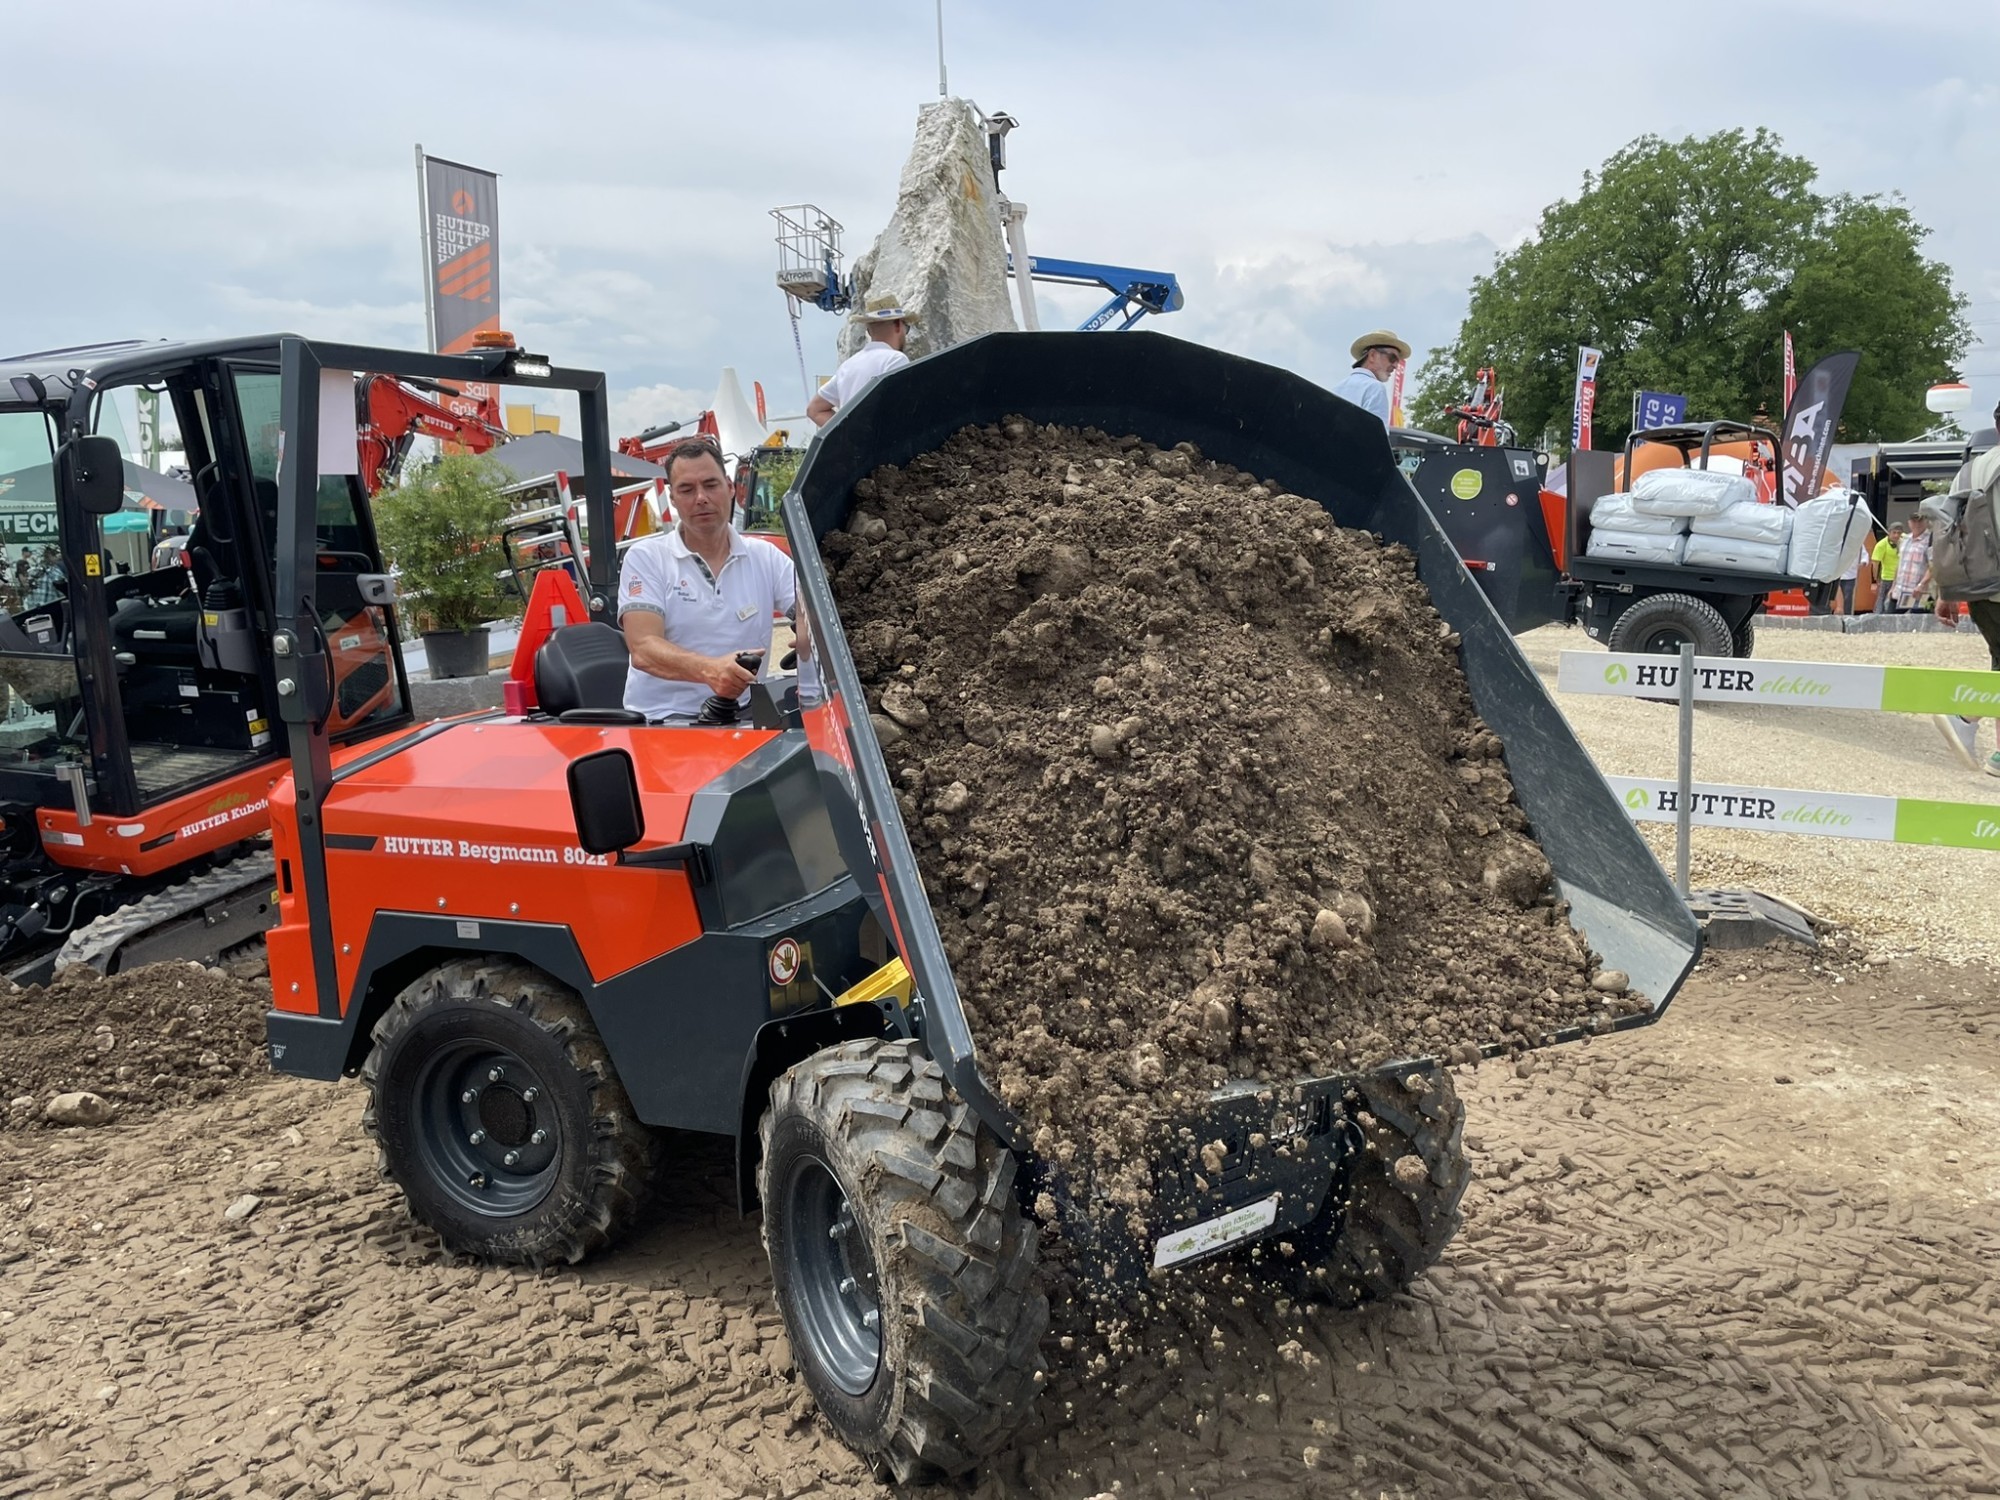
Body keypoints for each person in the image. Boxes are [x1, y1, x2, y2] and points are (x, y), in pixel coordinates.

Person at [618, 437, 806, 721]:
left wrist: (810, 631)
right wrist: (710, 670)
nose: (701, 498)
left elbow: (810, 611)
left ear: (730, 488)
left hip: (744, 715)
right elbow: (644, 648)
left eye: (710, 484)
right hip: (663, 720)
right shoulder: (646, 558)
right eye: (687, 489)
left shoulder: (765, 556)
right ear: (673, 499)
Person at [1931, 403, 2000, 775]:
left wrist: (1946, 593)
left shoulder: (1968, 471)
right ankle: (1964, 716)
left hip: (1978, 589)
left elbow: (1950, 535)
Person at [807, 294, 915, 427]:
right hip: (882, 446)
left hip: (853, 447)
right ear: (898, 325)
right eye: (907, 328)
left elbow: (814, 409)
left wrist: (846, 433)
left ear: (869, 331)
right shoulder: (895, 360)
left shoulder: (847, 366)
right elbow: (899, 410)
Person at [1332, 331, 1409, 429]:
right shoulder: (1375, 388)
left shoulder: (1337, 388)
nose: (1395, 366)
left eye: (1398, 361)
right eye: (1392, 358)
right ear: (1372, 355)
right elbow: (1377, 437)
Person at [1892, 514, 1932, 613]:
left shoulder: (1931, 540)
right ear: (1909, 523)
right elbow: (1900, 564)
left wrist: (1921, 585)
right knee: (1893, 622)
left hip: (1921, 592)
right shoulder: (1905, 540)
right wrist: (1893, 586)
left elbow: (1934, 566)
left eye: (1920, 521)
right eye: (1914, 521)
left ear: (1926, 522)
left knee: (1918, 623)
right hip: (1901, 591)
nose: (1917, 524)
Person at [1871, 523, 1904, 613]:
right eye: (1894, 532)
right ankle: (1878, 617)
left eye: (1899, 533)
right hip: (1887, 578)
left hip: (1902, 578)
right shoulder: (1881, 545)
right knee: (1882, 599)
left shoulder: (1905, 540)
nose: (1896, 535)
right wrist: (1876, 579)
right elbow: (1875, 563)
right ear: (1889, 533)